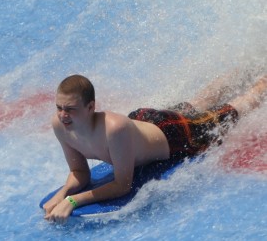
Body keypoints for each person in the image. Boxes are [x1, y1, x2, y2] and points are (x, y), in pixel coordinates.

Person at [44, 73, 267, 224]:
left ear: (91, 107)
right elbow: (79, 172)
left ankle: (261, 81)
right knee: (194, 106)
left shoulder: (113, 129)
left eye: (70, 109)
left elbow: (123, 185)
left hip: (174, 134)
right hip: (143, 120)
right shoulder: (61, 125)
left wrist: (73, 200)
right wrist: (63, 192)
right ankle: (240, 71)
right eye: (59, 108)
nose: (63, 115)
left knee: (233, 110)